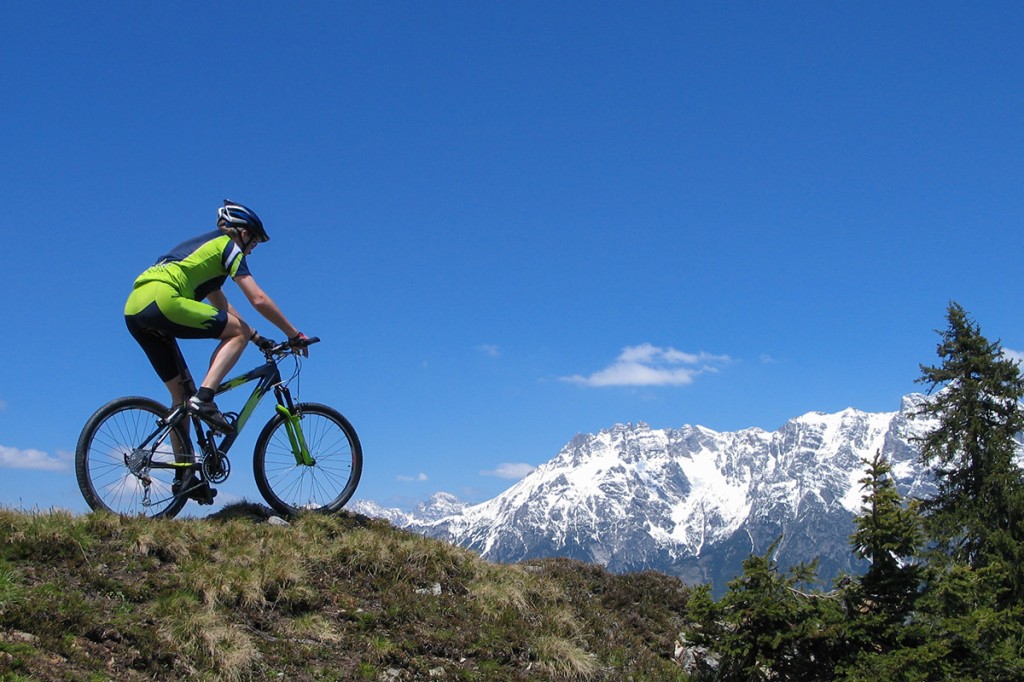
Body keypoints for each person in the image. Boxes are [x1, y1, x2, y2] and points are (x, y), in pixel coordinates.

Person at [124, 200, 310, 434]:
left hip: (135, 308)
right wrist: (294, 334)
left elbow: (221, 305)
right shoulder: (229, 246)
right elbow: (258, 299)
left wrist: (256, 337)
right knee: (235, 337)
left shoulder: (202, 250)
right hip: (163, 300)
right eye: (254, 242)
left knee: (182, 398)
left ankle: (184, 469)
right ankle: (206, 398)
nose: (252, 249)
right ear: (243, 233)